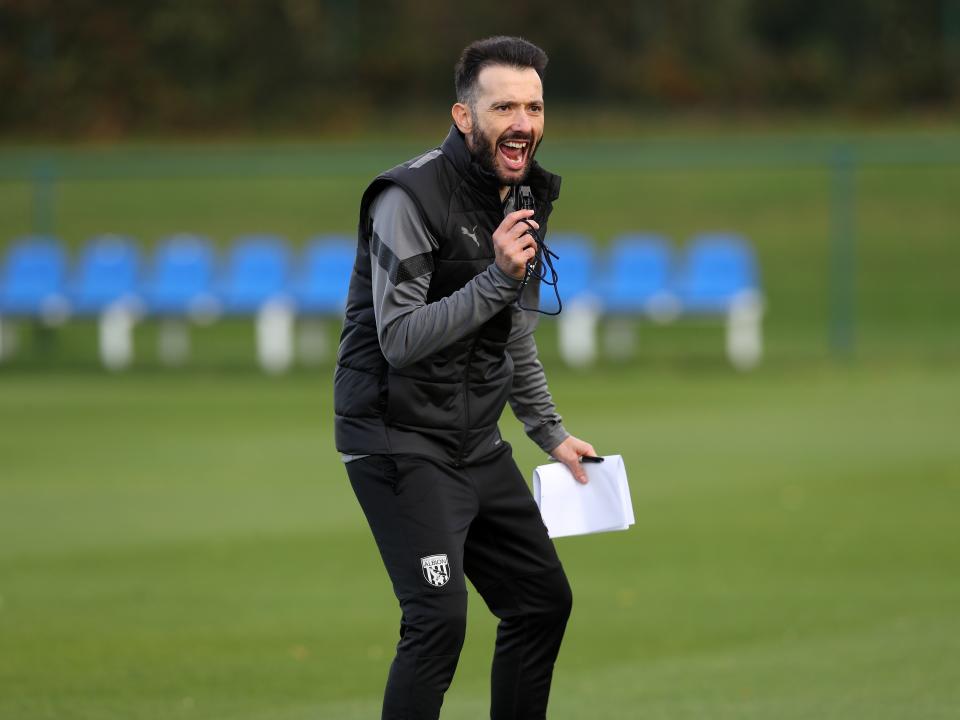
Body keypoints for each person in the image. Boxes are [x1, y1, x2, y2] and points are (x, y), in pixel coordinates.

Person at [334, 35, 597, 720]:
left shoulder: (524, 195)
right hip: (398, 441)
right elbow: (399, 340)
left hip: (474, 442)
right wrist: (497, 277)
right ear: (463, 116)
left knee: (541, 601)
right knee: (437, 621)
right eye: (504, 107)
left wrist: (550, 432)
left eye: (534, 107)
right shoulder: (407, 198)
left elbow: (513, 331)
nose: (523, 123)